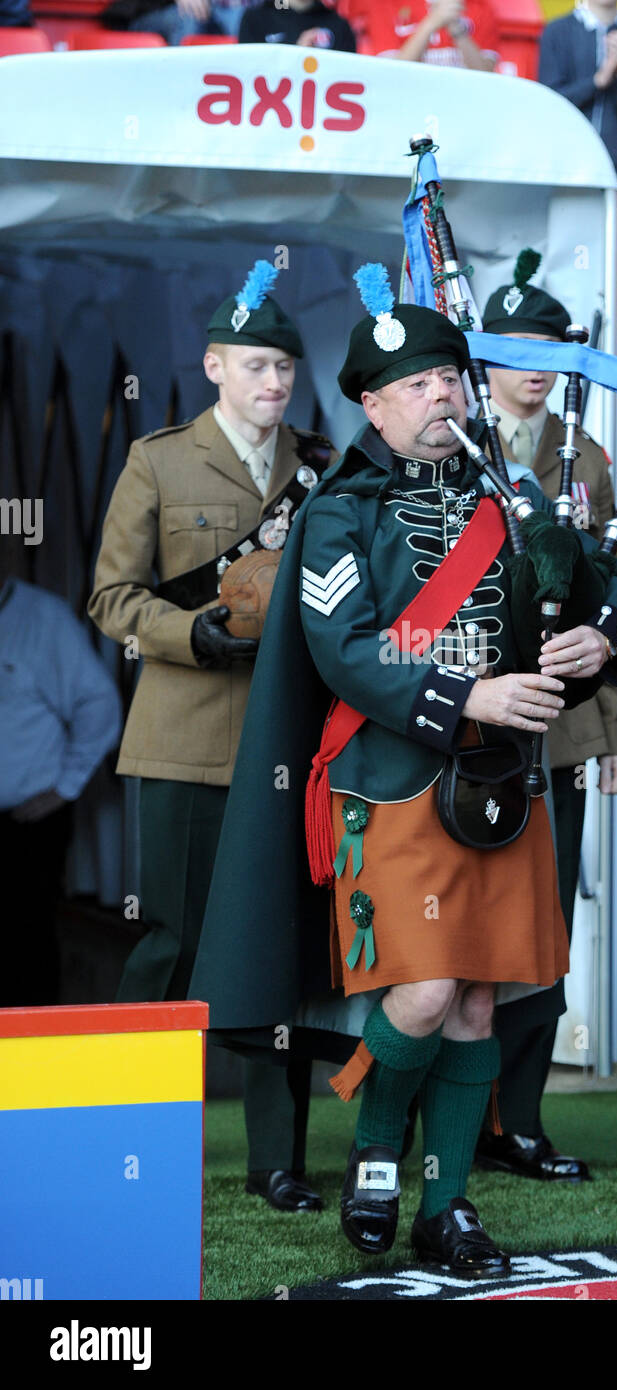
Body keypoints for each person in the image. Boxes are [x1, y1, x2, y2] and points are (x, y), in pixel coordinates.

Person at [275, 266, 617, 1274]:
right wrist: (466, 696)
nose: (440, 394)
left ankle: (447, 1206)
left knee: (480, 1000)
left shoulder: (514, 494)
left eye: (448, 376)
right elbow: (345, 646)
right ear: (371, 402)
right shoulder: (339, 510)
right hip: (391, 779)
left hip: (501, 787)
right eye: (415, 384)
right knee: (423, 990)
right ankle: (370, 1157)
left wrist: (594, 641)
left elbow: (616, 578)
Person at [88, 263, 336, 1210]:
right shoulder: (159, 459)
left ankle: (277, 1161)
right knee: (171, 942)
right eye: (256, 366)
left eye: (284, 366)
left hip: (284, 749)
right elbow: (110, 597)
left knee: (274, 947)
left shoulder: (318, 465)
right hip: (182, 741)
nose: (274, 383)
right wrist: (191, 631)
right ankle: (119, 1134)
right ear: (214, 366)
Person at [473, 253, 617, 1181]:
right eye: (517, 348)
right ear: (485, 358)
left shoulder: (591, 462)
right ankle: (446, 1111)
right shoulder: (451, 443)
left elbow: (609, 601)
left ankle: (520, 1121)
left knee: (544, 927)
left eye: (552, 349)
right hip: (465, 723)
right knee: (454, 922)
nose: (536, 366)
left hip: (565, 728)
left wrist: (613, 732)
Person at [0, 566, 122, 1007]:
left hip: (26, 823)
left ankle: (28, 1067)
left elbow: (100, 704)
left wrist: (65, 785)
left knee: (24, 947)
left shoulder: (40, 617)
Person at [537, 0, 617, 279]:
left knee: (610, 277)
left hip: (616, 176)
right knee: (558, 273)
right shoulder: (558, 32)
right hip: (564, 173)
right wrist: (599, 80)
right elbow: (549, 103)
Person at [373, 0, 498, 70]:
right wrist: (431, 23)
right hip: (410, 101)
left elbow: (485, 75)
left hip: (463, 101)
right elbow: (393, 74)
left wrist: (456, 28)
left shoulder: (480, 7)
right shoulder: (387, 5)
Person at [239, 0, 356, 50]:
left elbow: (348, 75)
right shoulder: (256, 19)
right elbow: (248, 71)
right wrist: (298, 57)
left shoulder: (338, 24)